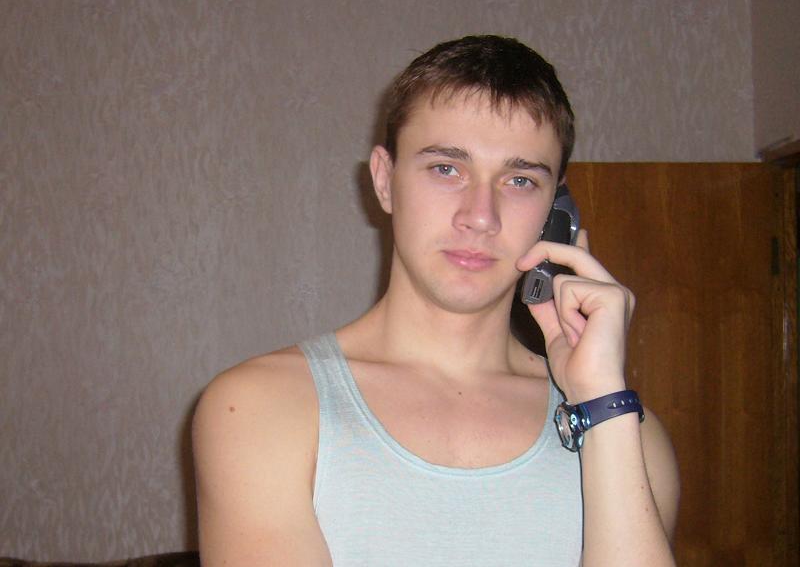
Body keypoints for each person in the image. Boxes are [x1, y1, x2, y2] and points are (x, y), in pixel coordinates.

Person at [192, 35, 680, 566]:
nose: (480, 216)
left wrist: (602, 399)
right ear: (385, 180)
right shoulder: (262, 407)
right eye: (447, 168)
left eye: (519, 180)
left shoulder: (625, 433)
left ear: (555, 212)